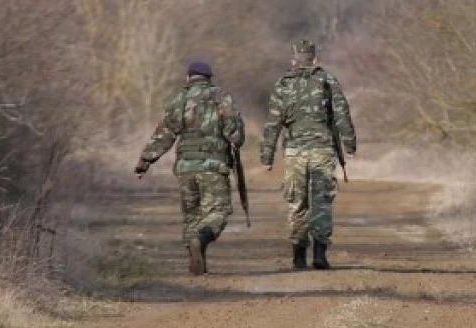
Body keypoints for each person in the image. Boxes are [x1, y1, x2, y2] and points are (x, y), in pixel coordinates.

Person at [134, 61, 245, 275]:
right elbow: (236, 136)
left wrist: (145, 162)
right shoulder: (221, 98)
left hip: (185, 168)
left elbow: (164, 135)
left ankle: (195, 259)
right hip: (213, 166)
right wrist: (237, 134)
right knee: (217, 211)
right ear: (209, 78)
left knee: (192, 214)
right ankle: (201, 239)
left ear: (188, 78)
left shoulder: (178, 100)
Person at [261, 39, 356, 271]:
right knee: (321, 202)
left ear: (293, 60)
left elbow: (273, 122)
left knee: (297, 202)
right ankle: (320, 255)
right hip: (322, 149)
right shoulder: (327, 80)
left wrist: (267, 156)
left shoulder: (283, 84)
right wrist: (350, 144)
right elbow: (342, 113)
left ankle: (299, 256)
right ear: (315, 59)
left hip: (294, 151)